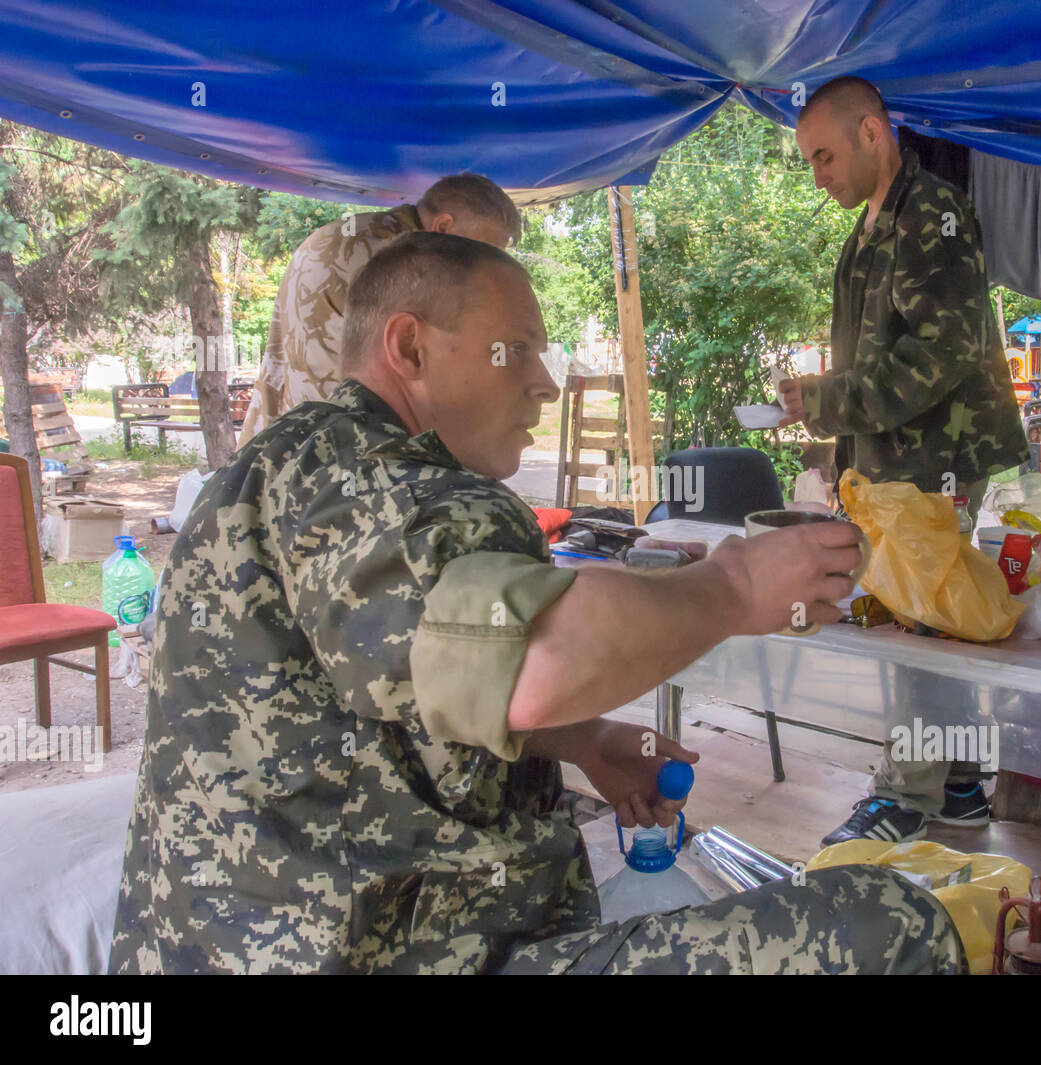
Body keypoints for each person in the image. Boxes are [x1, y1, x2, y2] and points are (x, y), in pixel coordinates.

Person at [110, 232, 965, 975]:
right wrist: (735, 585)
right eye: (514, 351)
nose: (544, 385)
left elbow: (385, 683)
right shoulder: (399, 487)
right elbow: (535, 657)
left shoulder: (270, 471)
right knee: (893, 922)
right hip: (402, 952)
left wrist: (582, 737)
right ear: (409, 348)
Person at [779, 77, 1029, 849]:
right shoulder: (867, 233)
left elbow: (941, 351)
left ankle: (904, 794)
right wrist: (834, 449)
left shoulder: (935, 212)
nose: (818, 174)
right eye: (809, 161)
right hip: (894, 458)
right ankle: (956, 784)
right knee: (930, 613)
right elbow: (872, 355)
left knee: (920, 619)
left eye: (824, 154)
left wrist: (824, 402)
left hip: (942, 451)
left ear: (872, 133)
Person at [236, 173, 520, 445]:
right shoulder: (405, 260)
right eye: (480, 251)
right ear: (443, 227)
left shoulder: (348, 233)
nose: (481, 266)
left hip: (286, 437)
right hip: (341, 447)